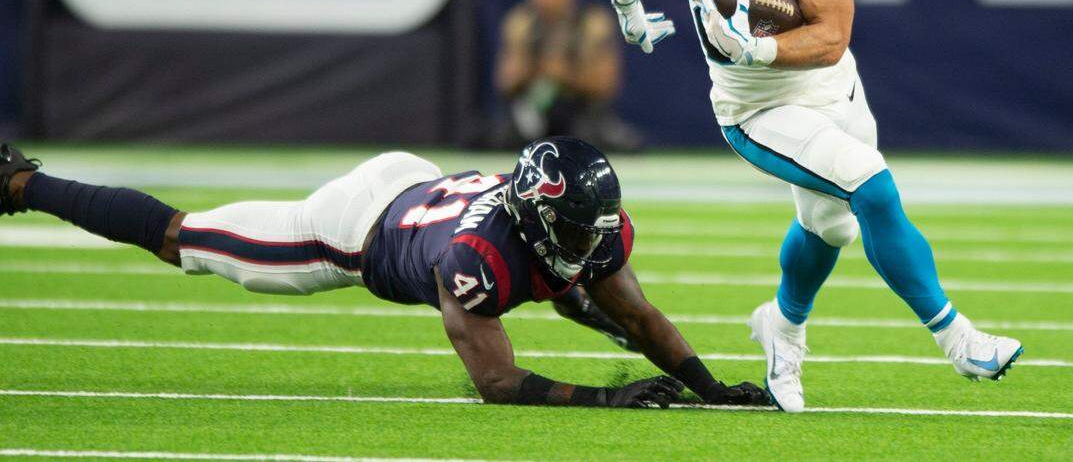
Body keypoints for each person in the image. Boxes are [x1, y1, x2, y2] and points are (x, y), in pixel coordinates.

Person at [607, 0, 1022, 413]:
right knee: (870, 186)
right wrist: (627, 2)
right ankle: (959, 339)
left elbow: (831, 36)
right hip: (754, 106)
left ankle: (782, 324)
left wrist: (759, 46)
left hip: (831, 83)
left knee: (829, 226)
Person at [0, 139, 767, 409]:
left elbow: (637, 315)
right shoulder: (478, 259)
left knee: (586, 295)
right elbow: (496, 382)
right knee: (183, 239)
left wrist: (711, 387)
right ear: (536, 212)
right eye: (570, 227)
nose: (588, 240)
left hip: (416, 181)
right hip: (349, 229)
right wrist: (605, 396)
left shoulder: (581, 226)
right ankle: (21, 182)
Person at [494, 0, 640, 152]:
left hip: (581, 114)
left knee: (606, 141)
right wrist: (531, 70)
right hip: (533, 114)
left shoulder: (593, 24)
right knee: (498, 136)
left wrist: (565, 75)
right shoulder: (521, 23)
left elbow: (606, 85)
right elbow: (505, 81)